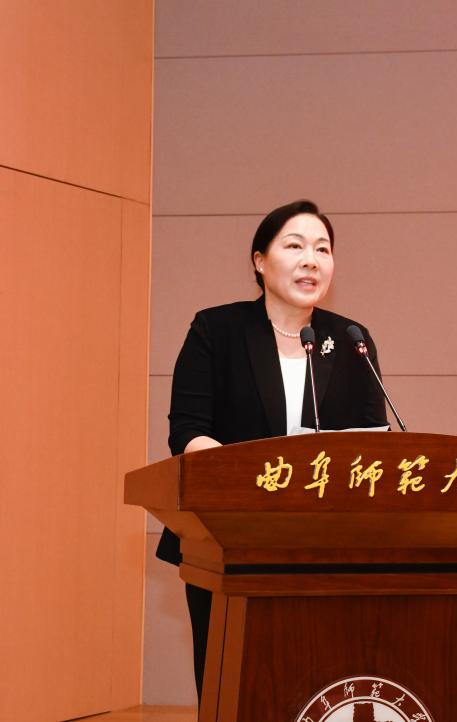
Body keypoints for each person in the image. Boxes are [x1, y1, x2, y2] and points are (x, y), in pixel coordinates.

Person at [156, 199, 389, 700]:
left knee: (318, 686)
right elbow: (187, 430)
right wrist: (245, 484)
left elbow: (371, 444)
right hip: (226, 539)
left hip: (326, 545)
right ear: (260, 260)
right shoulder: (216, 330)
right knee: (234, 685)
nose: (311, 260)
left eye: (323, 249)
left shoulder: (351, 340)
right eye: (295, 246)